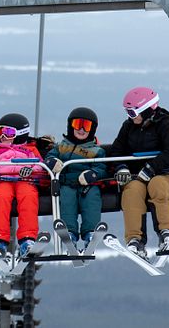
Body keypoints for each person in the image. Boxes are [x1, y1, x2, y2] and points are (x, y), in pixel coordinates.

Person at [109, 87, 169, 259]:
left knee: (158, 185)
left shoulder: (164, 124)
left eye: (132, 112)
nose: (130, 116)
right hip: (138, 177)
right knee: (132, 191)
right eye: (127, 112)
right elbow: (116, 150)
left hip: (163, 174)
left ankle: (166, 232)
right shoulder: (128, 127)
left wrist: (152, 168)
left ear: (146, 109)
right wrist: (121, 167)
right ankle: (135, 240)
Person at [0, 113, 44, 258]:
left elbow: (41, 168)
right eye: (0, 131)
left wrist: (31, 170)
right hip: (3, 181)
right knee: (0, 198)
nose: (2, 136)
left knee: (28, 196)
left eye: (8, 132)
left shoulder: (30, 150)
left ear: (20, 134)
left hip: (24, 180)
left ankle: (27, 239)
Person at [44, 107, 107, 251]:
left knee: (92, 200)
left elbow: (102, 167)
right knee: (66, 200)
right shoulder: (61, 147)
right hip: (66, 183)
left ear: (93, 129)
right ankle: (69, 233)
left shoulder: (96, 150)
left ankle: (90, 233)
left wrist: (92, 174)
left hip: (87, 185)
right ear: (70, 125)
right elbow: (48, 157)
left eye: (87, 126)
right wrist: (52, 162)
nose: (82, 129)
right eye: (78, 124)